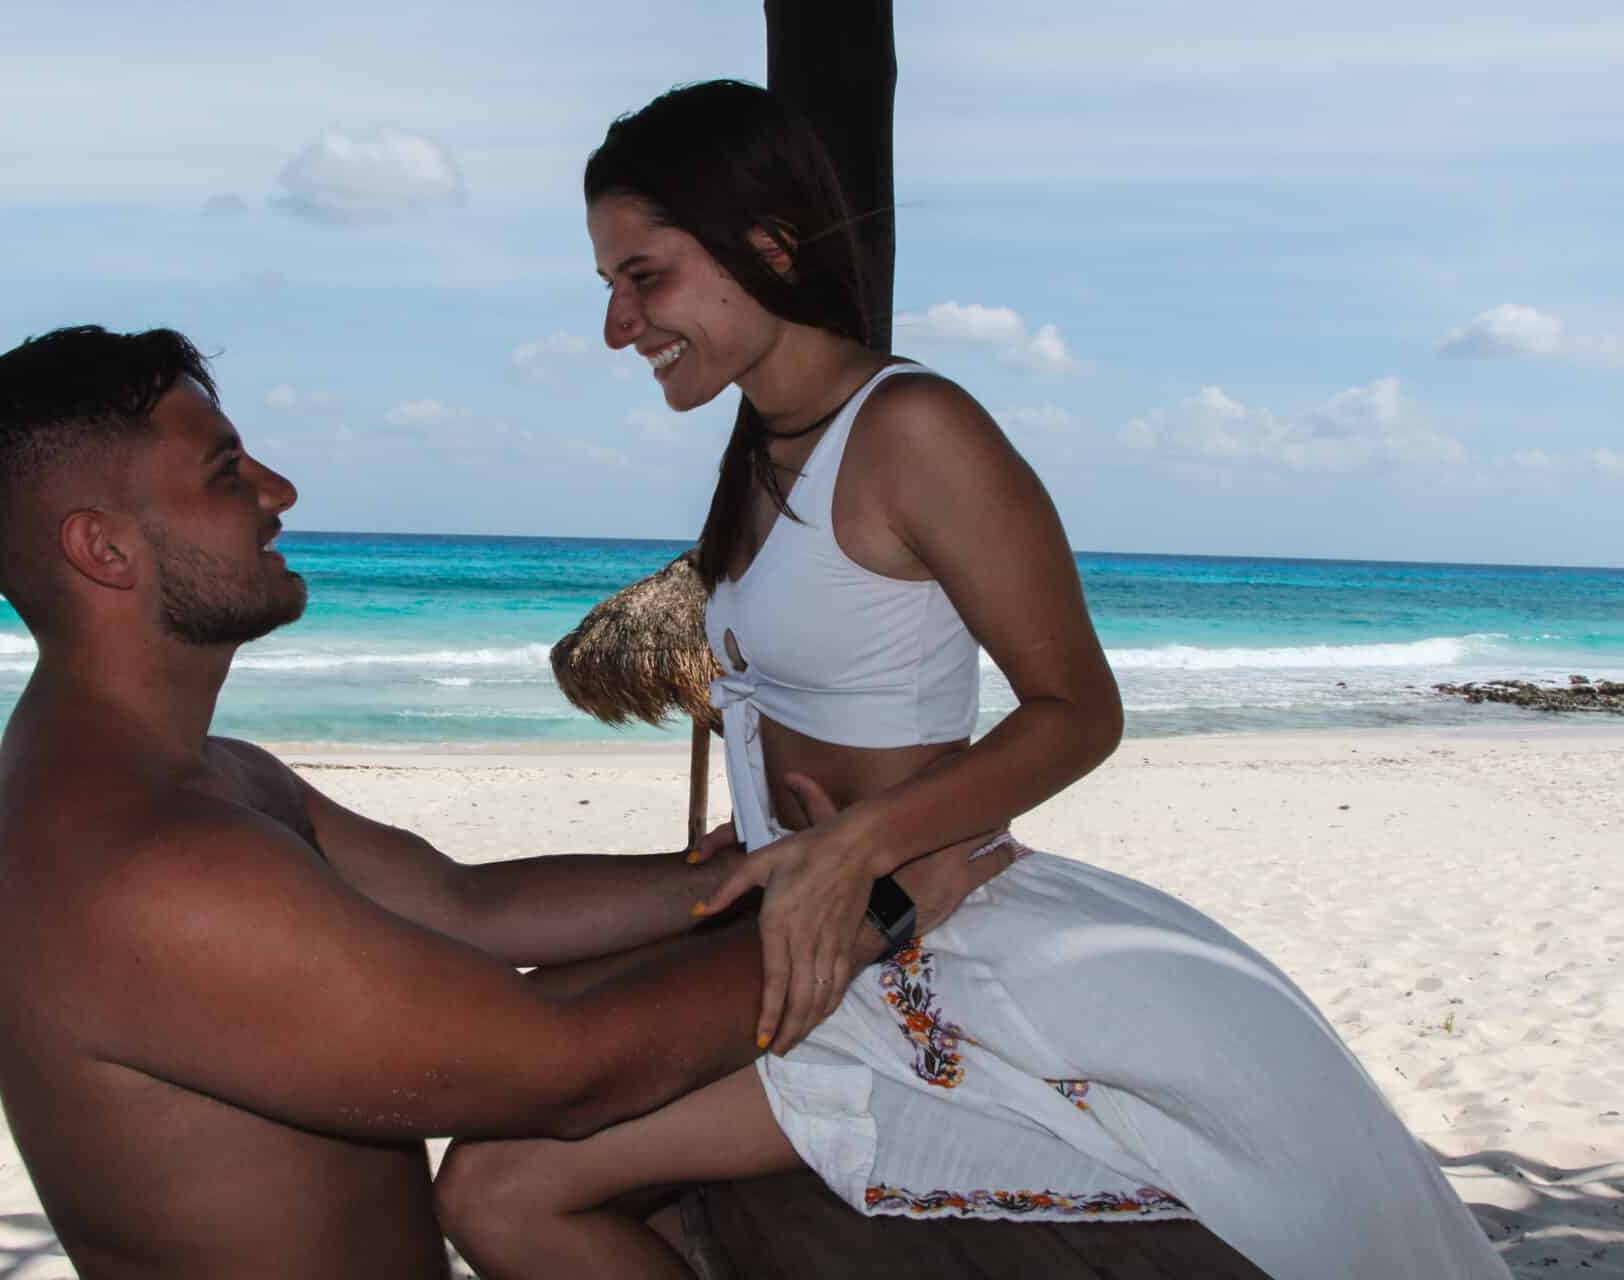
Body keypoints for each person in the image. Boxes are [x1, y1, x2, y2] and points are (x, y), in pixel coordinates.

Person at [431, 80, 1508, 1280]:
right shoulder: (762, 447)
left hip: (923, 941)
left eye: (646, 277)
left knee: (501, 1183)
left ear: (770, 245)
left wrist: (857, 846)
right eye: (609, 288)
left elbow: (1077, 707)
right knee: (508, 1103)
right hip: (816, 922)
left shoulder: (916, 426)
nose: (619, 325)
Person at [0, 324, 1000, 1279]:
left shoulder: (202, 773)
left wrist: (748, 875)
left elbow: (467, 906)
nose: (277, 487)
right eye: (222, 472)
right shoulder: (148, 865)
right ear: (102, 549)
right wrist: (875, 903)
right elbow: (568, 1072)